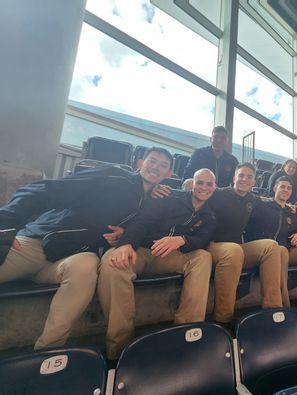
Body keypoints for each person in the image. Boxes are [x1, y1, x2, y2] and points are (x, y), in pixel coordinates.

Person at [0, 147, 173, 349]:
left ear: (170, 174)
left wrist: (123, 236)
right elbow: (46, 189)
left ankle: (47, 352)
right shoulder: (113, 176)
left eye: (163, 165)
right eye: (152, 161)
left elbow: (144, 229)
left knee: (87, 263)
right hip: (36, 243)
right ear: (140, 163)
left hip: (67, 259)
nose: (156, 167)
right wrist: (6, 225)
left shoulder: (153, 202)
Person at [97, 168, 216, 359]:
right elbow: (143, 221)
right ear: (192, 184)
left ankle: (186, 332)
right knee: (113, 264)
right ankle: (119, 348)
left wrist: (182, 239)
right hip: (142, 250)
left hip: (169, 256)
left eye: (209, 184)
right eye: (199, 182)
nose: (204, 187)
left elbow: (203, 238)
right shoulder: (168, 196)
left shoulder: (209, 215)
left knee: (203, 257)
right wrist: (126, 244)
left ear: (214, 187)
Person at [207, 163, 282, 327]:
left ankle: (273, 310)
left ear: (254, 182)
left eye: (249, 177)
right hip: (211, 247)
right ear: (234, 178)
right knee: (233, 250)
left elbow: (271, 204)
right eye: (241, 175)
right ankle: (223, 319)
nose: (244, 179)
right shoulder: (217, 193)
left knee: (272, 246)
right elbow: (195, 192)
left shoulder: (252, 199)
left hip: (235, 250)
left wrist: (291, 207)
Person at [245, 177, 297, 306]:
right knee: (279, 250)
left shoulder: (291, 212)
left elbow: (294, 232)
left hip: (286, 249)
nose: (285, 190)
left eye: (289, 188)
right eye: (282, 186)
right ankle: (283, 304)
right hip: (264, 250)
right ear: (274, 188)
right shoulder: (262, 205)